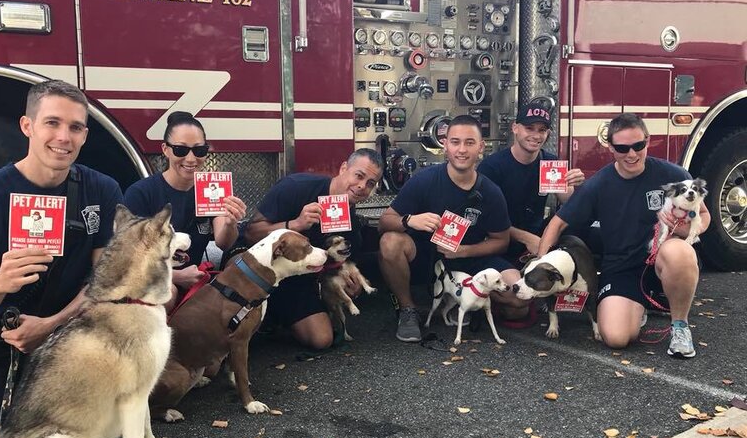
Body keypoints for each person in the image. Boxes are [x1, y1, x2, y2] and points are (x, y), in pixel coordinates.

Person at [0, 80, 123, 438]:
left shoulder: (101, 189)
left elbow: (106, 282)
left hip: (61, 336)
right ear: (27, 126)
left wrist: (50, 325)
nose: (64, 137)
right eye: (52, 123)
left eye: (76, 127)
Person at [537, 113, 710, 356]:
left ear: (648, 140)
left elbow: (704, 214)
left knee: (680, 252)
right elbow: (557, 224)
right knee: (616, 338)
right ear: (611, 147)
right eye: (622, 148)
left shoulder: (673, 174)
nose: (632, 154)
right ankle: (640, 307)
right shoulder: (599, 184)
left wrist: (690, 230)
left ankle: (680, 327)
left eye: (638, 145)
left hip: (661, 259)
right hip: (622, 267)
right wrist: (540, 263)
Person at [378, 115, 525, 343]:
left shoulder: (491, 191)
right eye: (455, 142)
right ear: (444, 144)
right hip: (428, 258)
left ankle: (469, 301)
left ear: (481, 147)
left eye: (469, 142)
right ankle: (408, 310)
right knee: (390, 242)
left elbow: (501, 241)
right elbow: (384, 222)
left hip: (471, 260)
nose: (462, 150)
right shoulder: (424, 180)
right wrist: (410, 220)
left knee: (518, 301)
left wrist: (464, 251)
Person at [243, 149, 383, 350]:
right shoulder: (296, 187)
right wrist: (296, 224)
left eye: (370, 183)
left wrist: (351, 285)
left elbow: (339, 265)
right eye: (359, 176)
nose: (362, 186)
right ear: (344, 168)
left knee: (321, 339)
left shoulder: (351, 221)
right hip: (264, 270)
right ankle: (268, 315)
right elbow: (251, 234)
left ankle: (277, 314)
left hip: (298, 279)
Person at [124, 112, 246, 310]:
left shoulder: (212, 189)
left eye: (199, 150)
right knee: (167, 291)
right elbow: (129, 258)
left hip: (195, 281)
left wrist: (231, 222)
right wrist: (177, 276)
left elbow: (224, 242)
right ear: (165, 149)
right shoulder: (141, 193)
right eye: (181, 150)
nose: (191, 159)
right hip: (148, 282)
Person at [478, 99, 585, 263]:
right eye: (529, 128)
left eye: (542, 130)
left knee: (581, 229)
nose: (536, 135)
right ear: (515, 128)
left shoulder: (549, 163)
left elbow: (569, 205)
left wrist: (571, 184)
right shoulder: (492, 167)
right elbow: (484, 218)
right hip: (500, 240)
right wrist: (528, 239)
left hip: (538, 235)